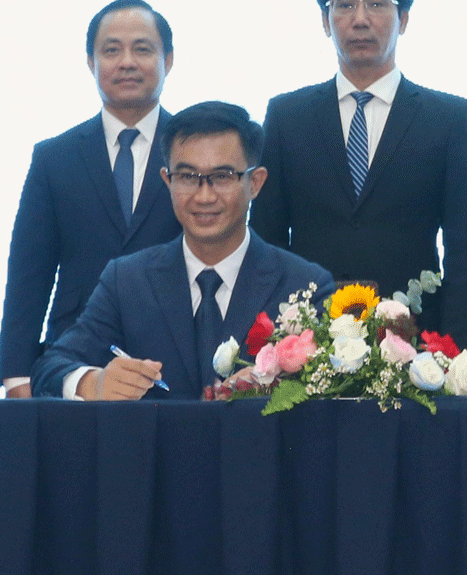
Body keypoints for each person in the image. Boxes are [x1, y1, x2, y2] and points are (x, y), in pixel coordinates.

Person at [254, 0, 467, 347]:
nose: (360, 18)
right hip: (307, 346)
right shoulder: (286, 116)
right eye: (344, 4)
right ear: (326, 21)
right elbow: (267, 240)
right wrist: (274, 344)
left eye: (376, 3)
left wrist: (454, 352)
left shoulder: (448, 119)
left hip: (414, 349)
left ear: (404, 18)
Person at [32, 103, 331, 399]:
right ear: (167, 180)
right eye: (187, 177)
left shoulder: (305, 284)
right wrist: (92, 383)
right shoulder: (127, 280)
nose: (203, 196)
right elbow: (51, 367)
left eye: (223, 176)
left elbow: (335, 382)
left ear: (255, 182)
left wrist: (279, 381)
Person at [0, 0, 179, 396]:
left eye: (142, 49)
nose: (126, 62)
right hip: (75, 360)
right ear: (91, 63)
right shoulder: (54, 157)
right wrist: (16, 376)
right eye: (111, 50)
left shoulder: (194, 155)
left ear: (167, 60)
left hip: (175, 359)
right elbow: (29, 271)